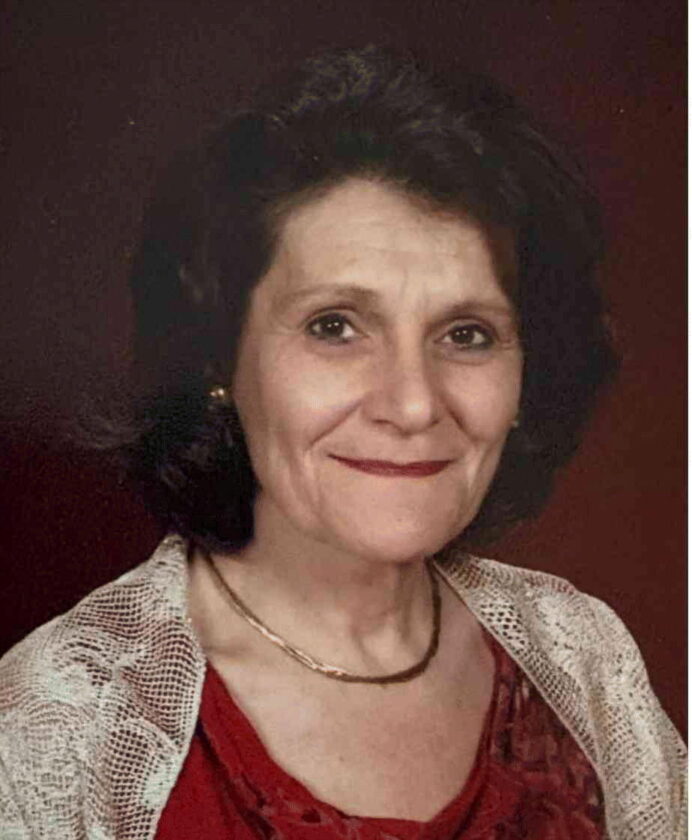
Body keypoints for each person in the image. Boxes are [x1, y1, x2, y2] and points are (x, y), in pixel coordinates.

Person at [0, 46, 685, 839]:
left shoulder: (583, 660)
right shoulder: (63, 729)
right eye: (335, 327)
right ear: (217, 357)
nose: (414, 404)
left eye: (467, 334)